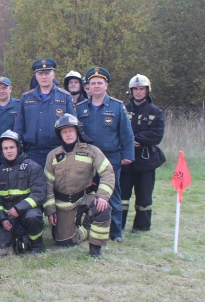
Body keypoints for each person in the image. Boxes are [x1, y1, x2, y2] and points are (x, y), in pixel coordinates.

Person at [76, 67, 134, 242]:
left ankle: (115, 232)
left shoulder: (117, 107)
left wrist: (127, 155)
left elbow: (126, 133)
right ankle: (86, 227)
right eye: (92, 83)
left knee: (111, 194)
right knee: (85, 194)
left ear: (106, 85)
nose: (96, 86)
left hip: (111, 158)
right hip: (86, 158)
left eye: (99, 83)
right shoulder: (80, 108)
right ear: (88, 87)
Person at [44, 114, 115, 258]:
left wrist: (102, 196)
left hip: (84, 199)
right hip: (63, 204)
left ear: (77, 131)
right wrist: (51, 211)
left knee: (102, 208)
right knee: (65, 242)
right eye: (64, 131)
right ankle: (86, 228)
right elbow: (48, 184)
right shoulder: (53, 155)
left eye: (71, 130)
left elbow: (107, 171)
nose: (68, 134)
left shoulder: (92, 151)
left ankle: (96, 247)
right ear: (60, 134)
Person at [0, 131, 46, 254]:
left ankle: (36, 244)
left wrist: (19, 209)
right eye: (5, 148)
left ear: (19, 148)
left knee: (32, 217)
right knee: (0, 245)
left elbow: (39, 194)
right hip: (8, 216)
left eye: (12, 147)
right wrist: (2, 220)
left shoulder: (33, 167)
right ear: (1, 150)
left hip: (28, 212)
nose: (9, 151)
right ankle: (19, 234)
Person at [121, 74, 166, 233]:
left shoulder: (155, 111)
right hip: (126, 160)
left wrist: (137, 139)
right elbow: (117, 131)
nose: (138, 92)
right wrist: (129, 141)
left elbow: (157, 134)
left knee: (144, 196)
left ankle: (141, 226)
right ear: (131, 91)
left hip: (145, 161)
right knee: (122, 197)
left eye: (142, 89)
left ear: (147, 91)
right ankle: (118, 225)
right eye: (135, 89)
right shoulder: (123, 109)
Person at [14, 58, 75, 167]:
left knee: (57, 184)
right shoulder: (26, 98)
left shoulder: (65, 97)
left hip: (58, 151)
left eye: (47, 73)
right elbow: (19, 126)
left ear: (53, 75)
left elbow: (73, 125)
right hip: (32, 152)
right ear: (36, 76)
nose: (44, 76)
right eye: (40, 73)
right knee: (34, 183)